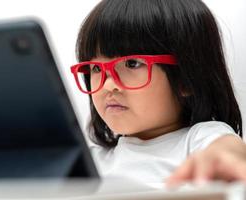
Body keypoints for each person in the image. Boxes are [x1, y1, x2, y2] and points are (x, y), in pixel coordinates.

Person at [70, 0, 246, 189]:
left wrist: (224, 160)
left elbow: (228, 151)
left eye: (132, 64)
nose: (108, 85)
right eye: (96, 68)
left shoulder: (199, 141)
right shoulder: (90, 161)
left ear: (186, 79)